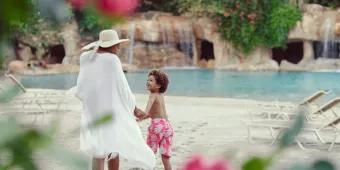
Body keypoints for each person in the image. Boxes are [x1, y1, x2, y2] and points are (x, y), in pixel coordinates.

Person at [75, 29, 155, 170]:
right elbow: (123, 87)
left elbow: (81, 87)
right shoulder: (111, 60)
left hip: (93, 109)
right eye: (116, 45)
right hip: (111, 110)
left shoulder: (86, 58)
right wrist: (135, 109)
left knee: (98, 149)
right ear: (110, 45)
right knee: (114, 145)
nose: (118, 48)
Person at [137, 69, 174, 170]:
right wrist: (141, 119)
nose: (148, 82)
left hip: (157, 126)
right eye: (148, 80)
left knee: (150, 153)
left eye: (151, 80)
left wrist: (135, 110)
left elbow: (146, 111)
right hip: (167, 126)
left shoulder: (152, 95)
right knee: (165, 157)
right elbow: (152, 113)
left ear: (158, 86)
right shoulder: (160, 96)